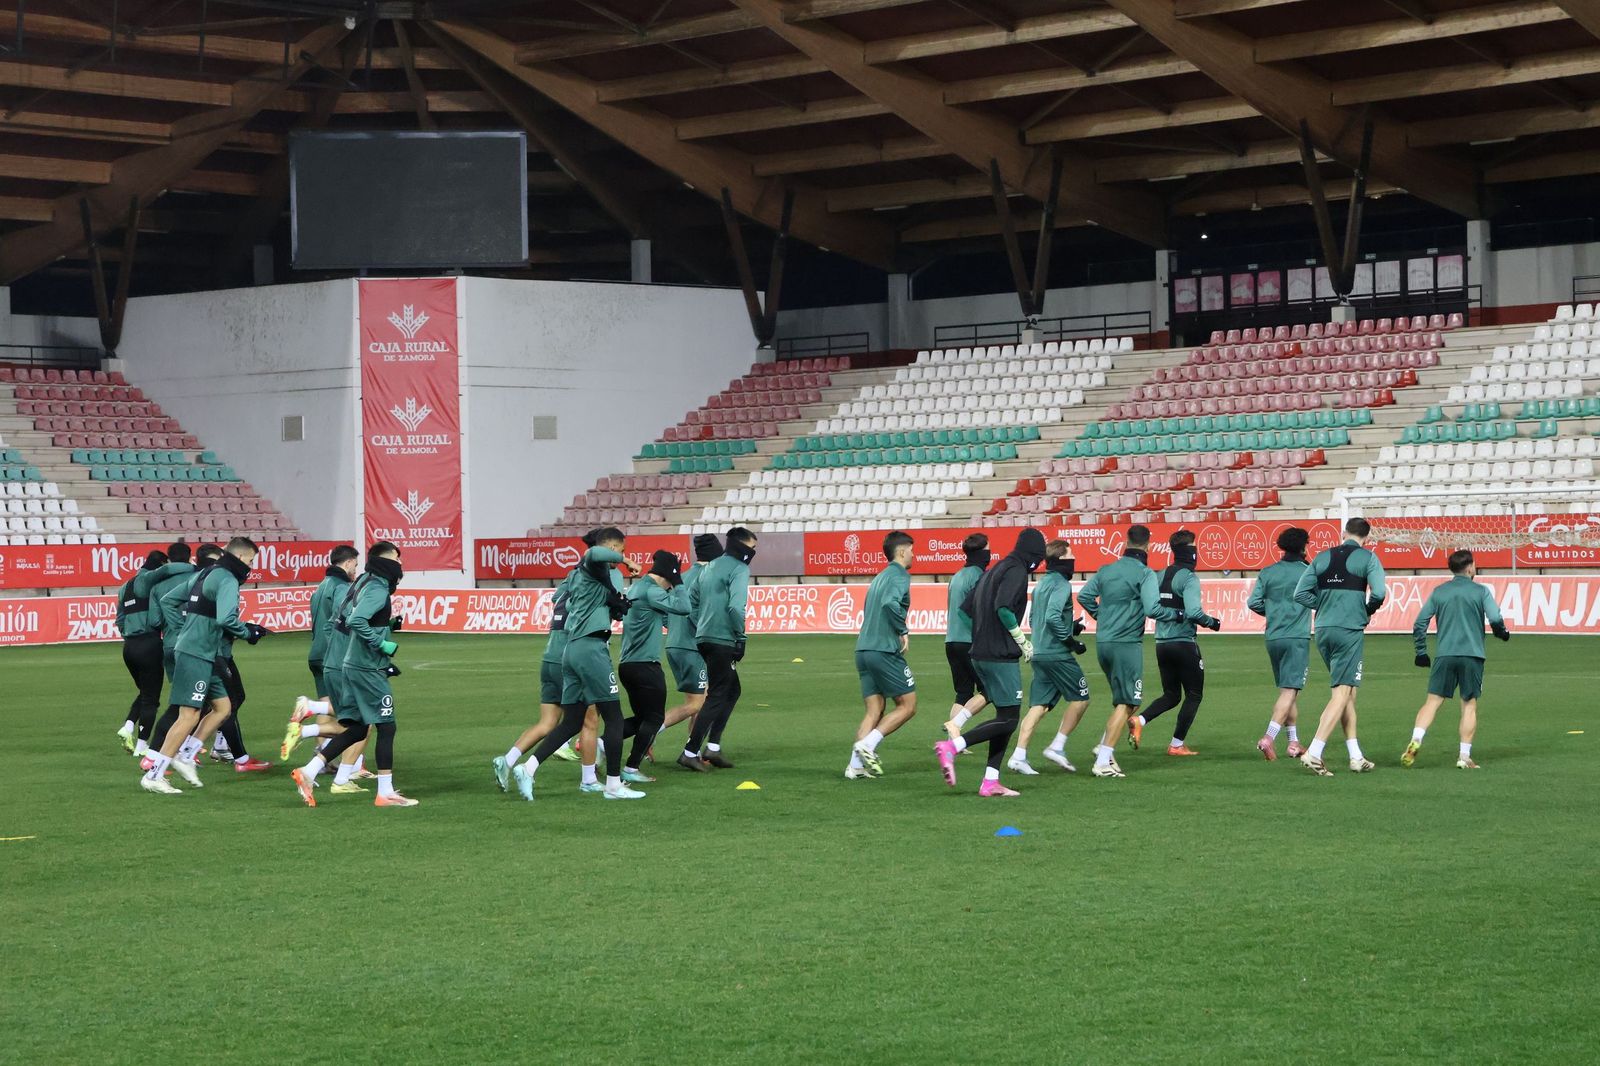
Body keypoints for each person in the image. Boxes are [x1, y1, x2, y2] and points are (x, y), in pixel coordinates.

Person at [506, 527, 644, 801]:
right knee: (614, 717)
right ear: (614, 548)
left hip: (570, 650)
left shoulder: (587, 577)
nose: (623, 557)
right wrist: (626, 562)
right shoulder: (594, 562)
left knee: (571, 722)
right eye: (622, 551)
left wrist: (616, 605)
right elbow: (595, 551)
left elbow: (579, 600)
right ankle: (614, 785)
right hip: (591, 649)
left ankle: (528, 768)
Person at [291, 542, 416, 807]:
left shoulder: (360, 582)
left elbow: (341, 620)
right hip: (365, 667)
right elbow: (356, 620)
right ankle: (385, 792)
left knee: (358, 728)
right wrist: (380, 644)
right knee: (386, 726)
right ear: (387, 562)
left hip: (349, 662)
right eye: (397, 558)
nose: (401, 564)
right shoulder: (377, 588)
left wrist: (385, 628)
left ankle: (308, 771)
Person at [139, 537, 266, 794]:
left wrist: (183, 629)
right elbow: (227, 619)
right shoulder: (228, 579)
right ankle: (155, 774)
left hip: (203, 652)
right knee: (188, 715)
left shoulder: (205, 573)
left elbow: (168, 602)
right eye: (251, 560)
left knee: (223, 707)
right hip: (198, 653)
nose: (251, 565)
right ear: (241, 558)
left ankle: (186, 755)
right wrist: (249, 633)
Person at [933, 527, 1045, 797]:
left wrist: (983, 635)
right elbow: (1004, 607)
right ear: (1034, 554)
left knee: (1003, 716)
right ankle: (952, 747)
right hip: (1000, 655)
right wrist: (1021, 640)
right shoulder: (1016, 570)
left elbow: (966, 609)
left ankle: (990, 781)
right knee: (1009, 719)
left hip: (980, 652)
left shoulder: (994, 569)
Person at [1077, 524, 1184, 778]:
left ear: (1126, 541)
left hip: (1103, 642)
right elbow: (1153, 609)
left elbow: (1084, 596)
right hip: (1126, 643)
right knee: (1128, 701)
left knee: (1125, 701)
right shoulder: (1145, 573)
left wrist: (1101, 616)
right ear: (1148, 545)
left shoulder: (1106, 570)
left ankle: (1104, 748)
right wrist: (1177, 614)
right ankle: (1102, 760)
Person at [1292, 517, 1387, 776]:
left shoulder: (1322, 557)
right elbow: (1379, 593)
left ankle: (1355, 756)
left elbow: (1299, 594)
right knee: (1342, 693)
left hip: (1323, 629)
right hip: (1348, 630)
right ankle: (1314, 751)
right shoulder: (1368, 558)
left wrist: (1322, 605)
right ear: (1366, 538)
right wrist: (1366, 610)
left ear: (1343, 533)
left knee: (1347, 694)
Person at [1402, 550, 1510, 770]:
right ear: (1469, 567)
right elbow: (1496, 617)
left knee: (1432, 702)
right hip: (1472, 655)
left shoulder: (1440, 592)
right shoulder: (1480, 591)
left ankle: (1416, 740)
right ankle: (1464, 756)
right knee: (1469, 704)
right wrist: (1501, 632)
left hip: (1445, 654)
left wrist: (1421, 652)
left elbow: (1419, 623)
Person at [1126, 530, 1221, 757]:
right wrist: (1212, 622)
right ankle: (1176, 745)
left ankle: (1139, 720)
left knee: (1171, 694)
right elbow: (1194, 611)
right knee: (1194, 695)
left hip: (1162, 644)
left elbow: (1149, 605)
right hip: (1184, 643)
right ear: (1191, 552)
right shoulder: (1188, 577)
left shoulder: (1158, 575)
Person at [1007, 539, 1091, 775]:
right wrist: (1071, 641)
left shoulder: (1040, 585)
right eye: (1071, 555)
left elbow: (1035, 620)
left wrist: (1070, 626)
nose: (1074, 559)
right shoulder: (1062, 585)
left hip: (1039, 651)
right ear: (1062, 559)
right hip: (1057, 654)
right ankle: (1057, 746)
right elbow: (1053, 617)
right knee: (1081, 698)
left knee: (1039, 706)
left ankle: (1019, 755)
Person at [681, 526, 756, 772]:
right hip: (722, 638)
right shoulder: (739, 569)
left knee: (732, 690)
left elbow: (690, 602)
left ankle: (713, 748)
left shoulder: (709, 567)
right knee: (718, 694)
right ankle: (690, 751)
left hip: (704, 637)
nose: (753, 553)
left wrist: (702, 624)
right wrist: (740, 638)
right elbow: (736, 607)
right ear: (743, 547)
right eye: (753, 548)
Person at [615, 550, 692, 784]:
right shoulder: (653, 591)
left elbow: (662, 617)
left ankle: (599, 743)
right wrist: (678, 583)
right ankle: (631, 767)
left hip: (627, 665)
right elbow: (684, 606)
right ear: (669, 574)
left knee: (642, 719)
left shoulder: (638, 588)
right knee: (655, 719)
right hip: (645, 665)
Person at [847, 531, 917, 779]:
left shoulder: (879, 577)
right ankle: (868, 745)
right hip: (882, 650)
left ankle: (854, 766)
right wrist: (902, 630)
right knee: (908, 705)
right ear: (901, 551)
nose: (913, 554)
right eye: (911, 549)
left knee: (874, 709)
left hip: (863, 649)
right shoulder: (899, 575)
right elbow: (890, 603)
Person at [142, 543, 218, 769]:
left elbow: (155, 621)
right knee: (205, 703)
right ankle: (169, 753)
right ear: (189, 558)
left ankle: (160, 753)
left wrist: (176, 626)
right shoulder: (203, 578)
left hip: (171, 646)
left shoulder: (158, 585)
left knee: (184, 703)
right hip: (195, 647)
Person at [116, 543, 192, 758]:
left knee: (145, 692)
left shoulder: (125, 586)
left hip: (129, 646)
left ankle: (129, 725)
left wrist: (130, 633)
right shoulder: (151, 584)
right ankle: (142, 746)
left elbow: (119, 619)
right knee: (152, 699)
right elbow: (155, 618)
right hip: (149, 643)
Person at [1248, 527, 1312, 760]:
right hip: (1296, 637)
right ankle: (1268, 737)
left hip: (1273, 637)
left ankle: (1294, 742)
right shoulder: (1307, 572)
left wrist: (1274, 612)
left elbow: (1253, 602)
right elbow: (1318, 600)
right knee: (1290, 690)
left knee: (1288, 690)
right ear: (1304, 546)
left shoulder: (1268, 571)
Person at [659, 534, 722, 739]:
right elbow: (705, 615)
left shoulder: (682, 577)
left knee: (700, 701)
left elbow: (665, 612)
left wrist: (677, 629)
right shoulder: (708, 578)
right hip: (693, 647)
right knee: (697, 704)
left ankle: (691, 750)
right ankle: (648, 733)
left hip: (675, 644)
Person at [941, 533, 991, 741]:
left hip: (951, 640)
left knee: (963, 692)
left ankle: (953, 740)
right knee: (990, 690)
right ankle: (956, 723)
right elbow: (978, 610)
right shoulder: (979, 576)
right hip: (969, 641)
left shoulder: (957, 576)